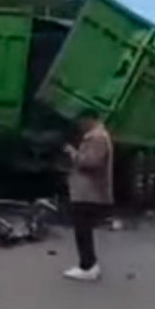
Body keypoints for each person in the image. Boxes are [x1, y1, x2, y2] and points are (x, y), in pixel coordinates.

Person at [63, 109, 113, 282]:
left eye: (82, 121)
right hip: (88, 192)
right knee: (83, 230)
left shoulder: (97, 137)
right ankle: (89, 265)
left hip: (88, 192)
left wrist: (73, 153)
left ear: (90, 119)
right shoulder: (98, 136)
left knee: (83, 230)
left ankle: (88, 266)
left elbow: (90, 162)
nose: (80, 125)